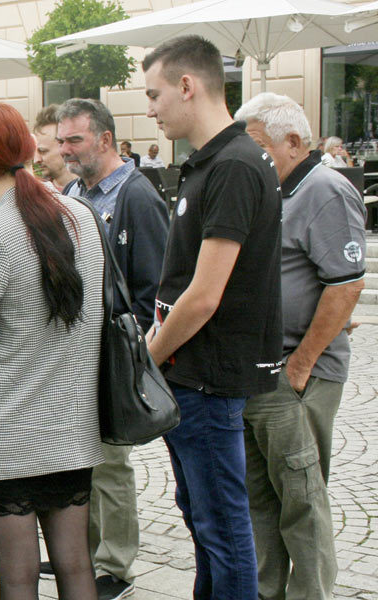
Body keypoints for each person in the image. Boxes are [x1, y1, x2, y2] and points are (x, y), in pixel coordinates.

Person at [143, 35, 282, 599]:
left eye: (153, 94)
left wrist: (143, 362)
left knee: (222, 528)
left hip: (207, 378)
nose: (149, 108)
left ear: (186, 85)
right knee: (206, 524)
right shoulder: (211, 163)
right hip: (192, 377)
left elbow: (203, 296)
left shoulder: (234, 165)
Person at [0, 102, 104, 600]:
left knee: (17, 579)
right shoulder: (81, 216)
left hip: (9, 428)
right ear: (31, 149)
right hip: (73, 419)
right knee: (76, 565)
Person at [235, 92, 366, 600]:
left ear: (294, 142)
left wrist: (301, 364)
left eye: (261, 146)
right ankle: (268, 590)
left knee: (302, 498)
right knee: (261, 496)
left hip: (299, 374)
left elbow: (346, 284)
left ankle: (310, 594)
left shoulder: (325, 189)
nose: (255, 157)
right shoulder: (276, 188)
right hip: (264, 369)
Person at [55, 98, 169, 599]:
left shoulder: (138, 197)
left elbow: (156, 287)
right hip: (78, 349)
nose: (64, 150)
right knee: (85, 458)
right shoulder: (75, 191)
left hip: (115, 351)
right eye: (61, 141)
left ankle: (115, 567)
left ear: (105, 139)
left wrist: (135, 355)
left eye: (73, 140)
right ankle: (86, 552)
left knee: (113, 463)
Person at [33, 105, 76, 192]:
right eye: (34, 152)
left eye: (42, 151)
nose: (36, 160)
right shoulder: (38, 193)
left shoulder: (92, 191)